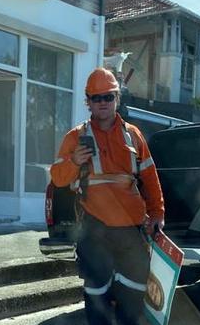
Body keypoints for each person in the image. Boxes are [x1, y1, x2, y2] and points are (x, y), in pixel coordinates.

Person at [50, 67, 165, 325]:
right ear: (88, 101)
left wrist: (157, 213)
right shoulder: (75, 137)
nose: (102, 103)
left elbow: (149, 177)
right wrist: (74, 161)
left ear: (117, 98)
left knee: (133, 295)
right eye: (96, 98)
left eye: (108, 97)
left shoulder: (133, 135)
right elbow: (58, 178)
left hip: (131, 232)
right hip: (95, 229)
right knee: (97, 295)